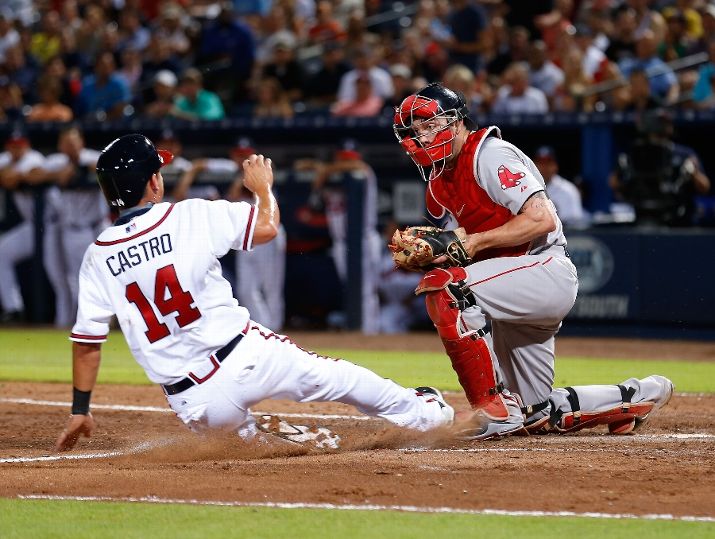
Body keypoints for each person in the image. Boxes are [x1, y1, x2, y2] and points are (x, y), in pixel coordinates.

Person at [53, 135, 455, 451]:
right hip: (247, 358)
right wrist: (263, 189)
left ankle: (259, 436)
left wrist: (79, 410)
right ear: (153, 181)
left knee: (247, 447)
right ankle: (425, 414)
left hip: (194, 400)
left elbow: (87, 344)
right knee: (340, 378)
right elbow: (266, 228)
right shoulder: (188, 214)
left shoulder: (97, 256)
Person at [391, 83, 674, 439]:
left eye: (430, 125)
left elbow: (542, 219)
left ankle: (492, 409)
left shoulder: (489, 155)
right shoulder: (438, 180)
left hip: (544, 269)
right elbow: (461, 248)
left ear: (457, 121)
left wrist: (469, 244)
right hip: (511, 284)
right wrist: (432, 257)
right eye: (414, 131)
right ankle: (637, 396)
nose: (422, 137)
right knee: (534, 412)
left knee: (449, 289)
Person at [26, 126, 104, 327]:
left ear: (81, 142)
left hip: (96, 227)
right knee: (66, 279)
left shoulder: (93, 157)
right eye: (66, 143)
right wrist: (57, 175)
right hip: (70, 228)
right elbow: (32, 175)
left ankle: (89, 323)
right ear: (60, 145)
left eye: (73, 142)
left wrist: (84, 170)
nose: (70, 147)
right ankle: (66, 323)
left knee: (88, 278)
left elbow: (111, 169)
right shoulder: (57, 161)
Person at [609, 109, 711, 226]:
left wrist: (694, 173)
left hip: (679, 220)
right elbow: (615, 184)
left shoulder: (683, 154)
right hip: (644, 217)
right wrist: (620, 173)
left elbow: (705, 187)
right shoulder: (638, 153)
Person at [533, 146, 587, 227]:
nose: (544, 168)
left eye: (548, 164)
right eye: (540, 163)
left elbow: (574, 225)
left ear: (555, 166)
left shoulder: (568, 190)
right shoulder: (523, 187)